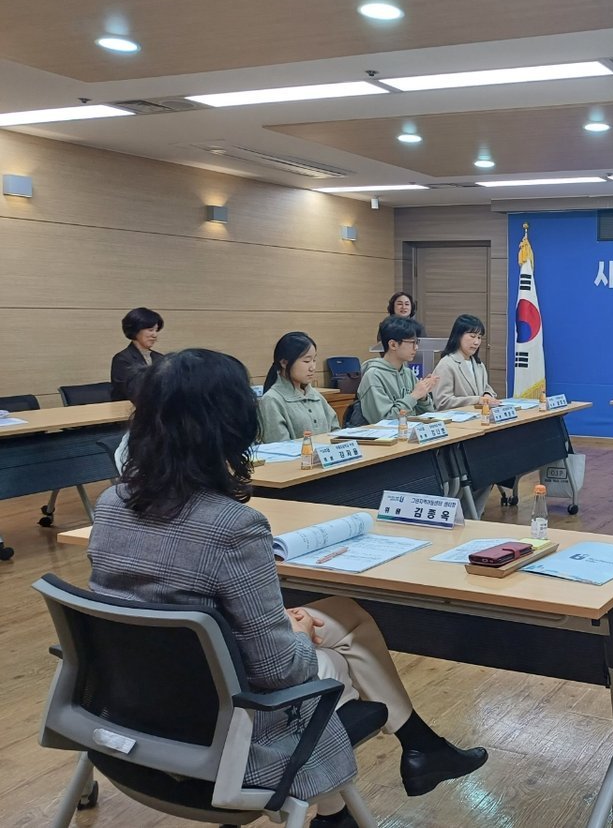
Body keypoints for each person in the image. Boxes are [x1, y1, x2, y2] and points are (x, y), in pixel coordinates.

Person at [87, 349, 486, 826]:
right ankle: (344, 806)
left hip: (130, 700)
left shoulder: (111, 503)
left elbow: (161, 605)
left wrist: (277, 623)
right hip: (224, 724)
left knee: (345, 611)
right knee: (339, 656)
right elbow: (280, 670)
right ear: (232, 425)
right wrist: (295, 632)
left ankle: (418, 748)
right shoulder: (233, 527)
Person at [258, 331, 341, 442]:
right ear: (284, 363)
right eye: (306, 361)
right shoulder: (272, 400)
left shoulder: (315, 395)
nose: (312, 367)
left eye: (314, 360)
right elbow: (279, 447)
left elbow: (336, 432)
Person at [357, 317, 439, 424]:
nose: (416, 347)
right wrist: (414, 396)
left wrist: (423, 397)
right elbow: (383, 421)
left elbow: (428, 416)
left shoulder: (408, 373)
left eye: (417, 342)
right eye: (412, 342)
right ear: (393, 345)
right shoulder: (373, 376)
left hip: (409, 431)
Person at [431, 315, 498, 409]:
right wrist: (477, 400)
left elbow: (486, 388)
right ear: (458, 336)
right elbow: (443, 402)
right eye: (472, 336)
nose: (476, 342)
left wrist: (487, 395)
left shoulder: (479, 365)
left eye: (479, 337)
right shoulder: (446, 364)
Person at [110, 307, 164, 401]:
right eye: (150, 330)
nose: (155, 335)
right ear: (136, 330)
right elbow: (132, 391)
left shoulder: (160, 358)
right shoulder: (122, 359)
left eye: (156, 330)